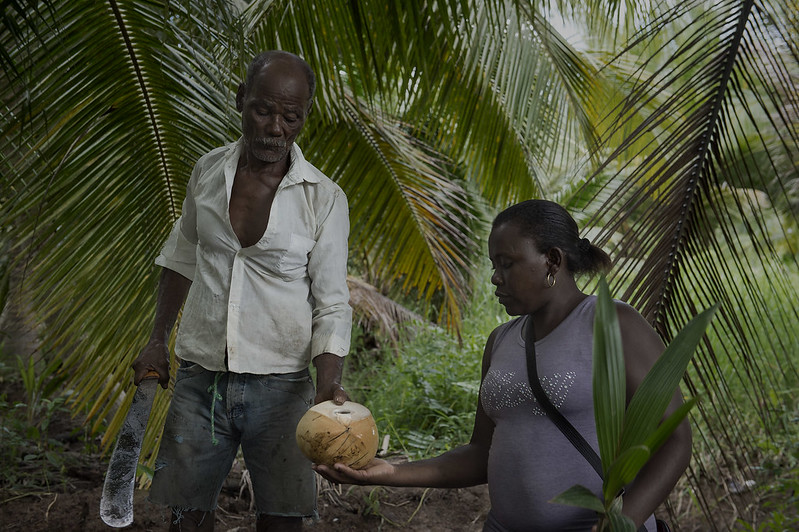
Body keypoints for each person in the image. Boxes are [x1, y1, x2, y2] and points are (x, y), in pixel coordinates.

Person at [315, 199, 692, 531]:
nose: (495, 278)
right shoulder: (501, 341)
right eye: (494, 264)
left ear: (553, 260)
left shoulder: (614, 324)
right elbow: (480, 454)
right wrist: (389, 473)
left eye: (507, 263)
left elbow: (675, 439)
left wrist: (620, 523)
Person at [131, 50, 352, 532]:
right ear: (241, 100)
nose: (276, 127)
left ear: (303, 117)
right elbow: (181, 257)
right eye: (263, 110)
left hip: (284, 384)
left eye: (291, 117)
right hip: (199, 376)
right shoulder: (209, 172)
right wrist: (156, 339)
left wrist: (328, 383)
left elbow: (332, 302)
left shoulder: (324, 197)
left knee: (282, 519)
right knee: (185, 515)